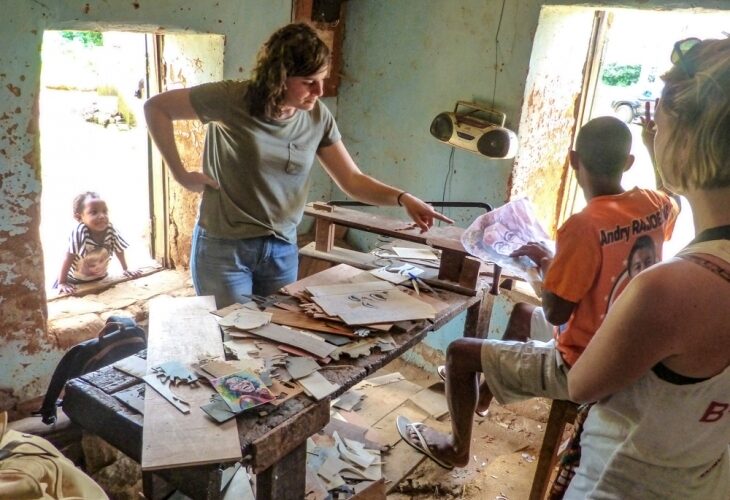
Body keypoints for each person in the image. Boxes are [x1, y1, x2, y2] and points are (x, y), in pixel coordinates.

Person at [397, 115, 680, 469]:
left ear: (574, 160)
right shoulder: (657, 205)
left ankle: (457, 449)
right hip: (626, 342)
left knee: (458, 353)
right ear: (628, 163)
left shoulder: (584, 225)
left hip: (584, 363)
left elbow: (558, 313)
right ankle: (483, 401)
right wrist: (653, 143)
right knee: (521, 314)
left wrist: (542, 266)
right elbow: (670, 196)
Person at [144, 22, 451, 308]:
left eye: (322, 80)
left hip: (281, 249)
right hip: (225, 248)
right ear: (278, 76)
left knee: (275, 341)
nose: (319, 92)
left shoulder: (317, 117)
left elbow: (352, 179)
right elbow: (156, 107)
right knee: (233, 340)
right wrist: (180, 174)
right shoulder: (231, 99)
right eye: (308, 82)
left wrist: (402, 198)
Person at [564, 36, 730, 499]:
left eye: (660, 124)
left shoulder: (670, 289)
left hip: (624, 482)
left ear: (684, 139)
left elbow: (581, 385)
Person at [55, 191, 141, 294]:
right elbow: (68, 257)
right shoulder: (79, 232)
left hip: (99, 278)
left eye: (105, 211)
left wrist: (126, 269)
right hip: (73, 282)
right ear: (79, 217)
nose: (102, 216)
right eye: (94, 212)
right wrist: (62, 282)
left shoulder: (110, 229)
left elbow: (119, 249)